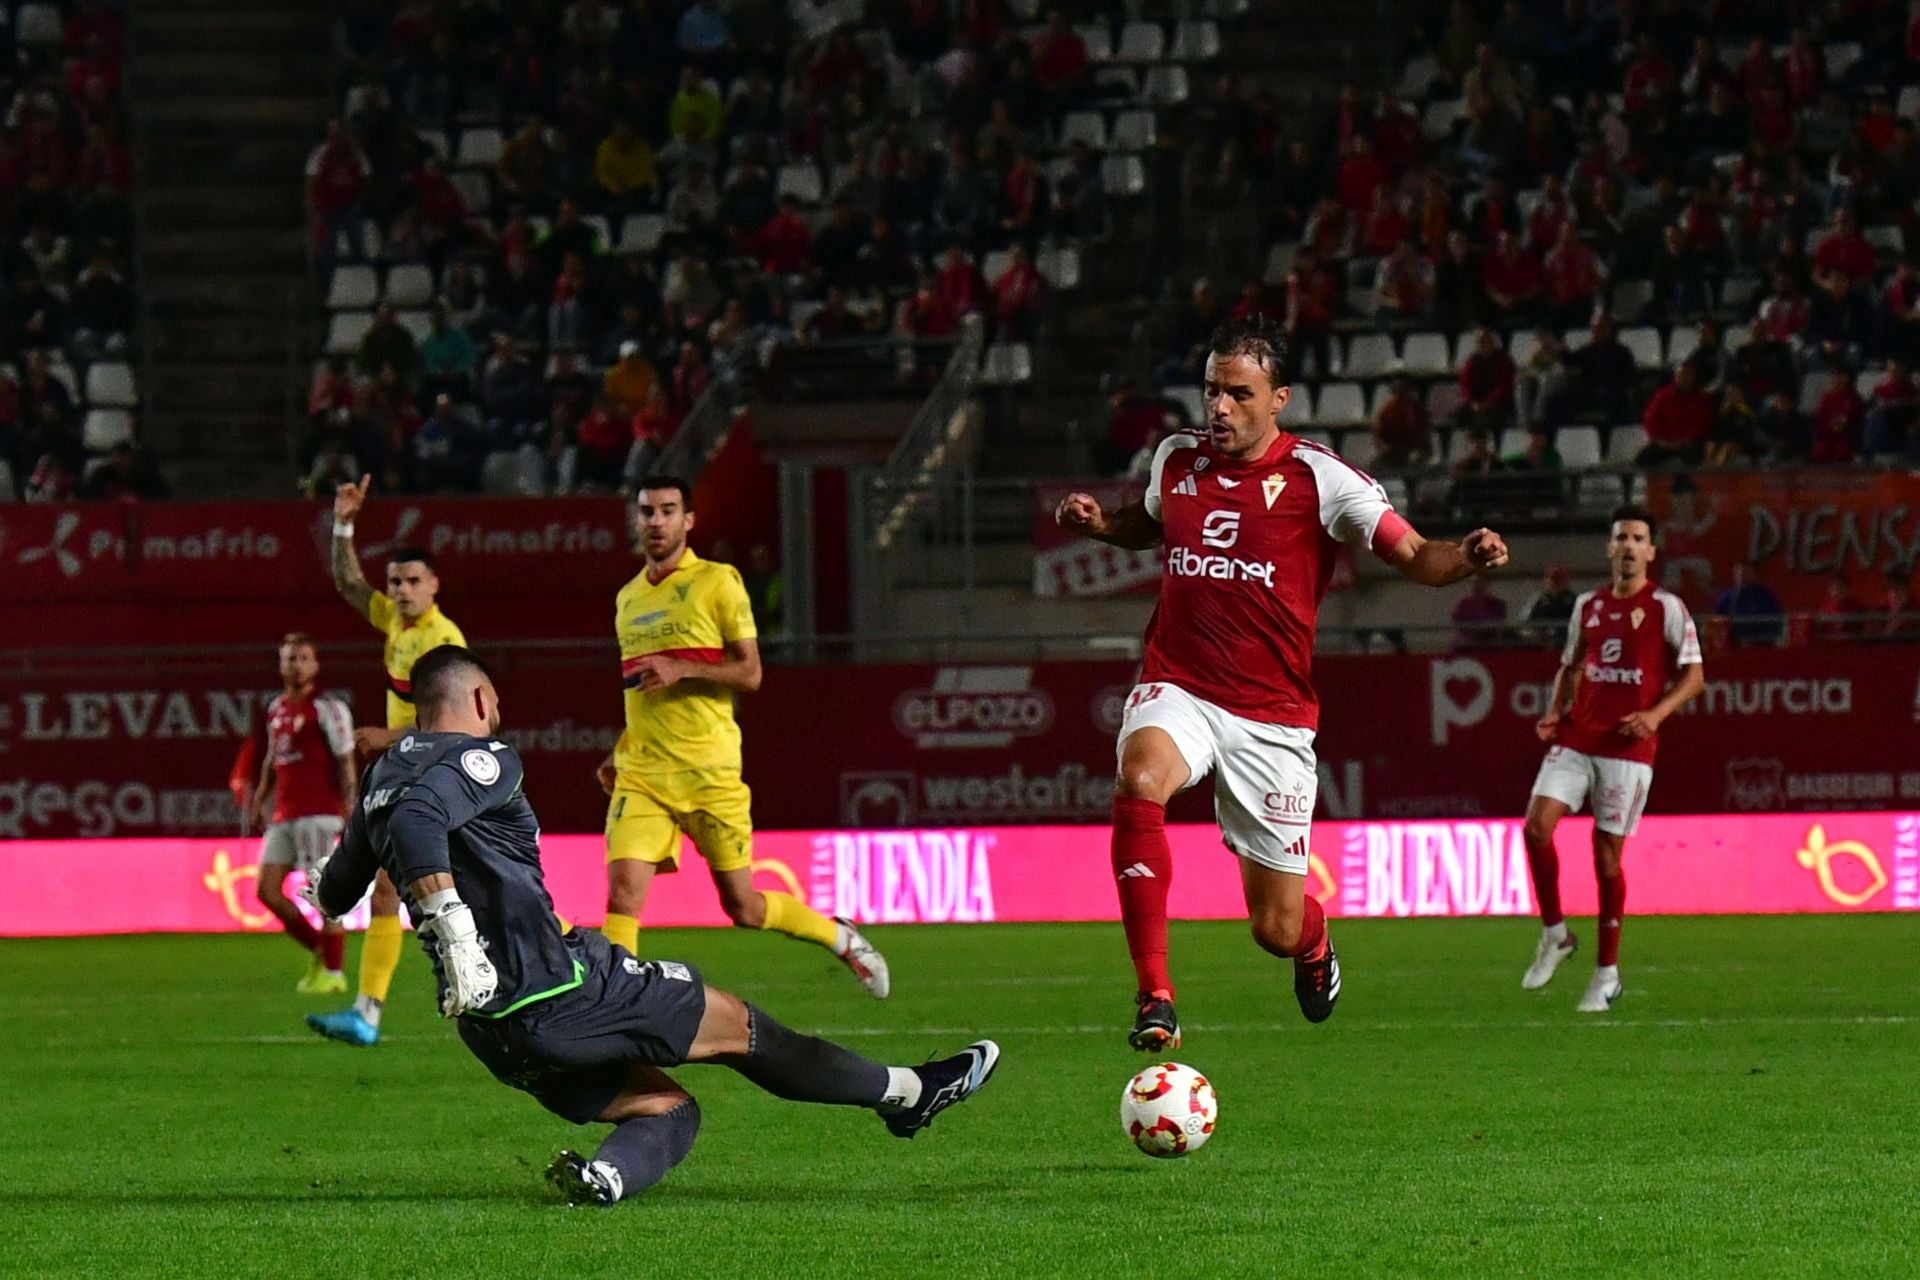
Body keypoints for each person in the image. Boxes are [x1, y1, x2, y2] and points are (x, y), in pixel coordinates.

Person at [304, 646, 996, 1207]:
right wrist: (458, 935)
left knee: (667, 1108)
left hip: (491, 1031)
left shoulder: (381, 777)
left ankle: (607, 1178)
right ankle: (910, 1093)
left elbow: (340, 887)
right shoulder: (485, 759)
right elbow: (425, 820)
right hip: (559, 992)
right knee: (745, 1030)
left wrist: (333, 890)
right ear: (481, 701)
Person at [1053, 316, 1510, 1050]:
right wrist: (1101, 526)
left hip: (1272, 718)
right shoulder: (1176, 460)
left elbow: (1417, 553)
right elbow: (1149, 525)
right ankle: (1155, 997)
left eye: (1238, 393)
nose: (1219, 408)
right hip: (1181, 683)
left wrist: (1469, 559)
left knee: (1276, 927)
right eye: (1211, 391)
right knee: (1139, 778)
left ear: (1280, 400)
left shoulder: (1322, 480)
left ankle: (1315, 945)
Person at [595, 477, 889, 998]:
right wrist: (620, 746)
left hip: (710, 770)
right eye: (647, 512)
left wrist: (683, 668)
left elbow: (750, 673)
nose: (656, 521)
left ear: (689, 521)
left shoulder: (718, 582)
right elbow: (641, 689)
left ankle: (838, 937)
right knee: (622, 899)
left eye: (667, 511)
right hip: (642, 772)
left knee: (744, 907)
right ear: (636, 521)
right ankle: (614, 1011)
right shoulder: (627, 598)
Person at [307, 474, 469, 1047]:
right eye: (395, 581)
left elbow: (453, 729)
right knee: (391, 890)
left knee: (473, 889)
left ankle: (562, 965)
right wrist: (345, 523)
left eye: (412, 581)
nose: (400, 590)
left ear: (434, 586)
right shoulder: (397, 624)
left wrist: (386, 736)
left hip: (440, 778)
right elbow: (348, 582)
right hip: (412, 776)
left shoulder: (442, 642)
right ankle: (367, 1012)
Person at [1523, 506, 1705, 1012]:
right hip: (1579, 737)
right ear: (1609, 549)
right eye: (1620, 537)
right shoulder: (1588, 605)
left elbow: (1694, 676)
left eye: (1637, 538)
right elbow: (1571, 664)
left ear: (1650, 551)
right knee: (1536, 827)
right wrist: (1554, 710)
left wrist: (1655, 714)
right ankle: (1556, 934)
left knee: (1606, 858)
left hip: (1629, 748)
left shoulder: (1667, 607)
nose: (1627, 545)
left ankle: (1606, 974)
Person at [244, 633, 355, 993]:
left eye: (303, 657)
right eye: (290, 658)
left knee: (324, 894)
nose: (296, 664)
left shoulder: (328, 708)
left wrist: (350, 802)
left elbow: (345, 758)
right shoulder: (276, 708)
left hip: (318, 811)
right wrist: (261, 797)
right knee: (267, 891)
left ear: (315, 664)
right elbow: (272, 758)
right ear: (281, 664)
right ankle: (324, 953)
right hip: (285, 812)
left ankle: (334, 974)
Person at [1713, 561, 1785, 647]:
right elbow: (1717, 619)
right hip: (1733, 644)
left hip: (1760, 644)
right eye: (1739, 574)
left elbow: (1777, 620)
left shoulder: (1765, 595)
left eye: (1746, 573)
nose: (1742, 577)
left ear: (1753, 575)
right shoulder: (1727, 596)